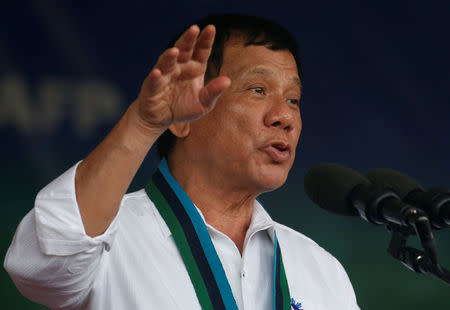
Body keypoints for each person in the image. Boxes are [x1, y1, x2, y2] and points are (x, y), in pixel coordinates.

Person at [4, 14, 360, 309]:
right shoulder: (110, 242)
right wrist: (143, 124)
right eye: (258, 90)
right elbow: (41, 265)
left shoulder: (320, 270)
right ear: (183, 119)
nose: (285, 116)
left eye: (294, 99)